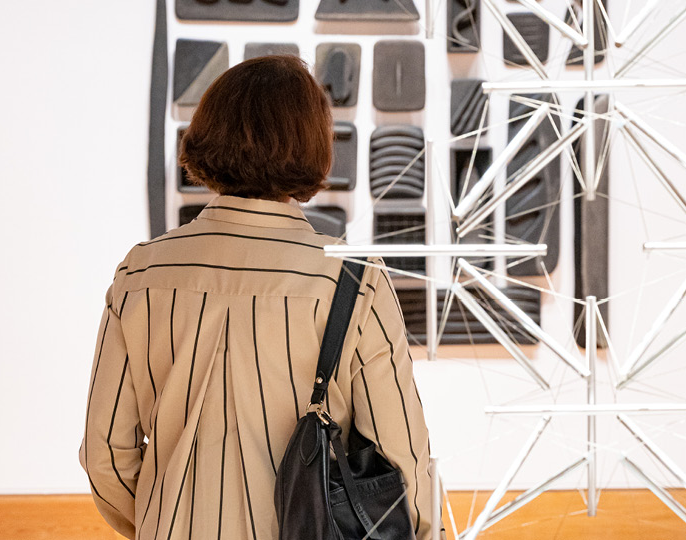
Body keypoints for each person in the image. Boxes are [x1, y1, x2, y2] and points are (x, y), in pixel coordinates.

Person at [78, 54, 434, 540]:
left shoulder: (140, 275)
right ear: (314, 145)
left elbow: (106, 456)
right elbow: (402, 459)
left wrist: (164, 516)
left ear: (206, 135)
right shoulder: (353, 280)